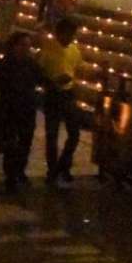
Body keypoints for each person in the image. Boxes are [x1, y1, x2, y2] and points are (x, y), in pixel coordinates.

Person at [0, 32, 43, 193]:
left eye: (28, 45)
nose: (26, 49)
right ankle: (10, 177)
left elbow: (41, 79)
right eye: (22, 45)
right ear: (13, 46)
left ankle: (20, 171)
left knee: (26, 143)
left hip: (27, 109)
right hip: (9, 110)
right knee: (10, 145)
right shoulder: (3, 64)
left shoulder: (32, 64)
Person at [38, 18, 83, 186]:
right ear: (59, 33)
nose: (71, 38)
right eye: (68, 34)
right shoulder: (47, 50)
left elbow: (76, 68)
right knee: (52, 135)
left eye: (73, 35)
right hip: (53, 95)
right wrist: (53, 82)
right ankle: (52, 170)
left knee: (74, 134)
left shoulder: (74, 49)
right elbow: (39, 73)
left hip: (68, 94)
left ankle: (63, 165)